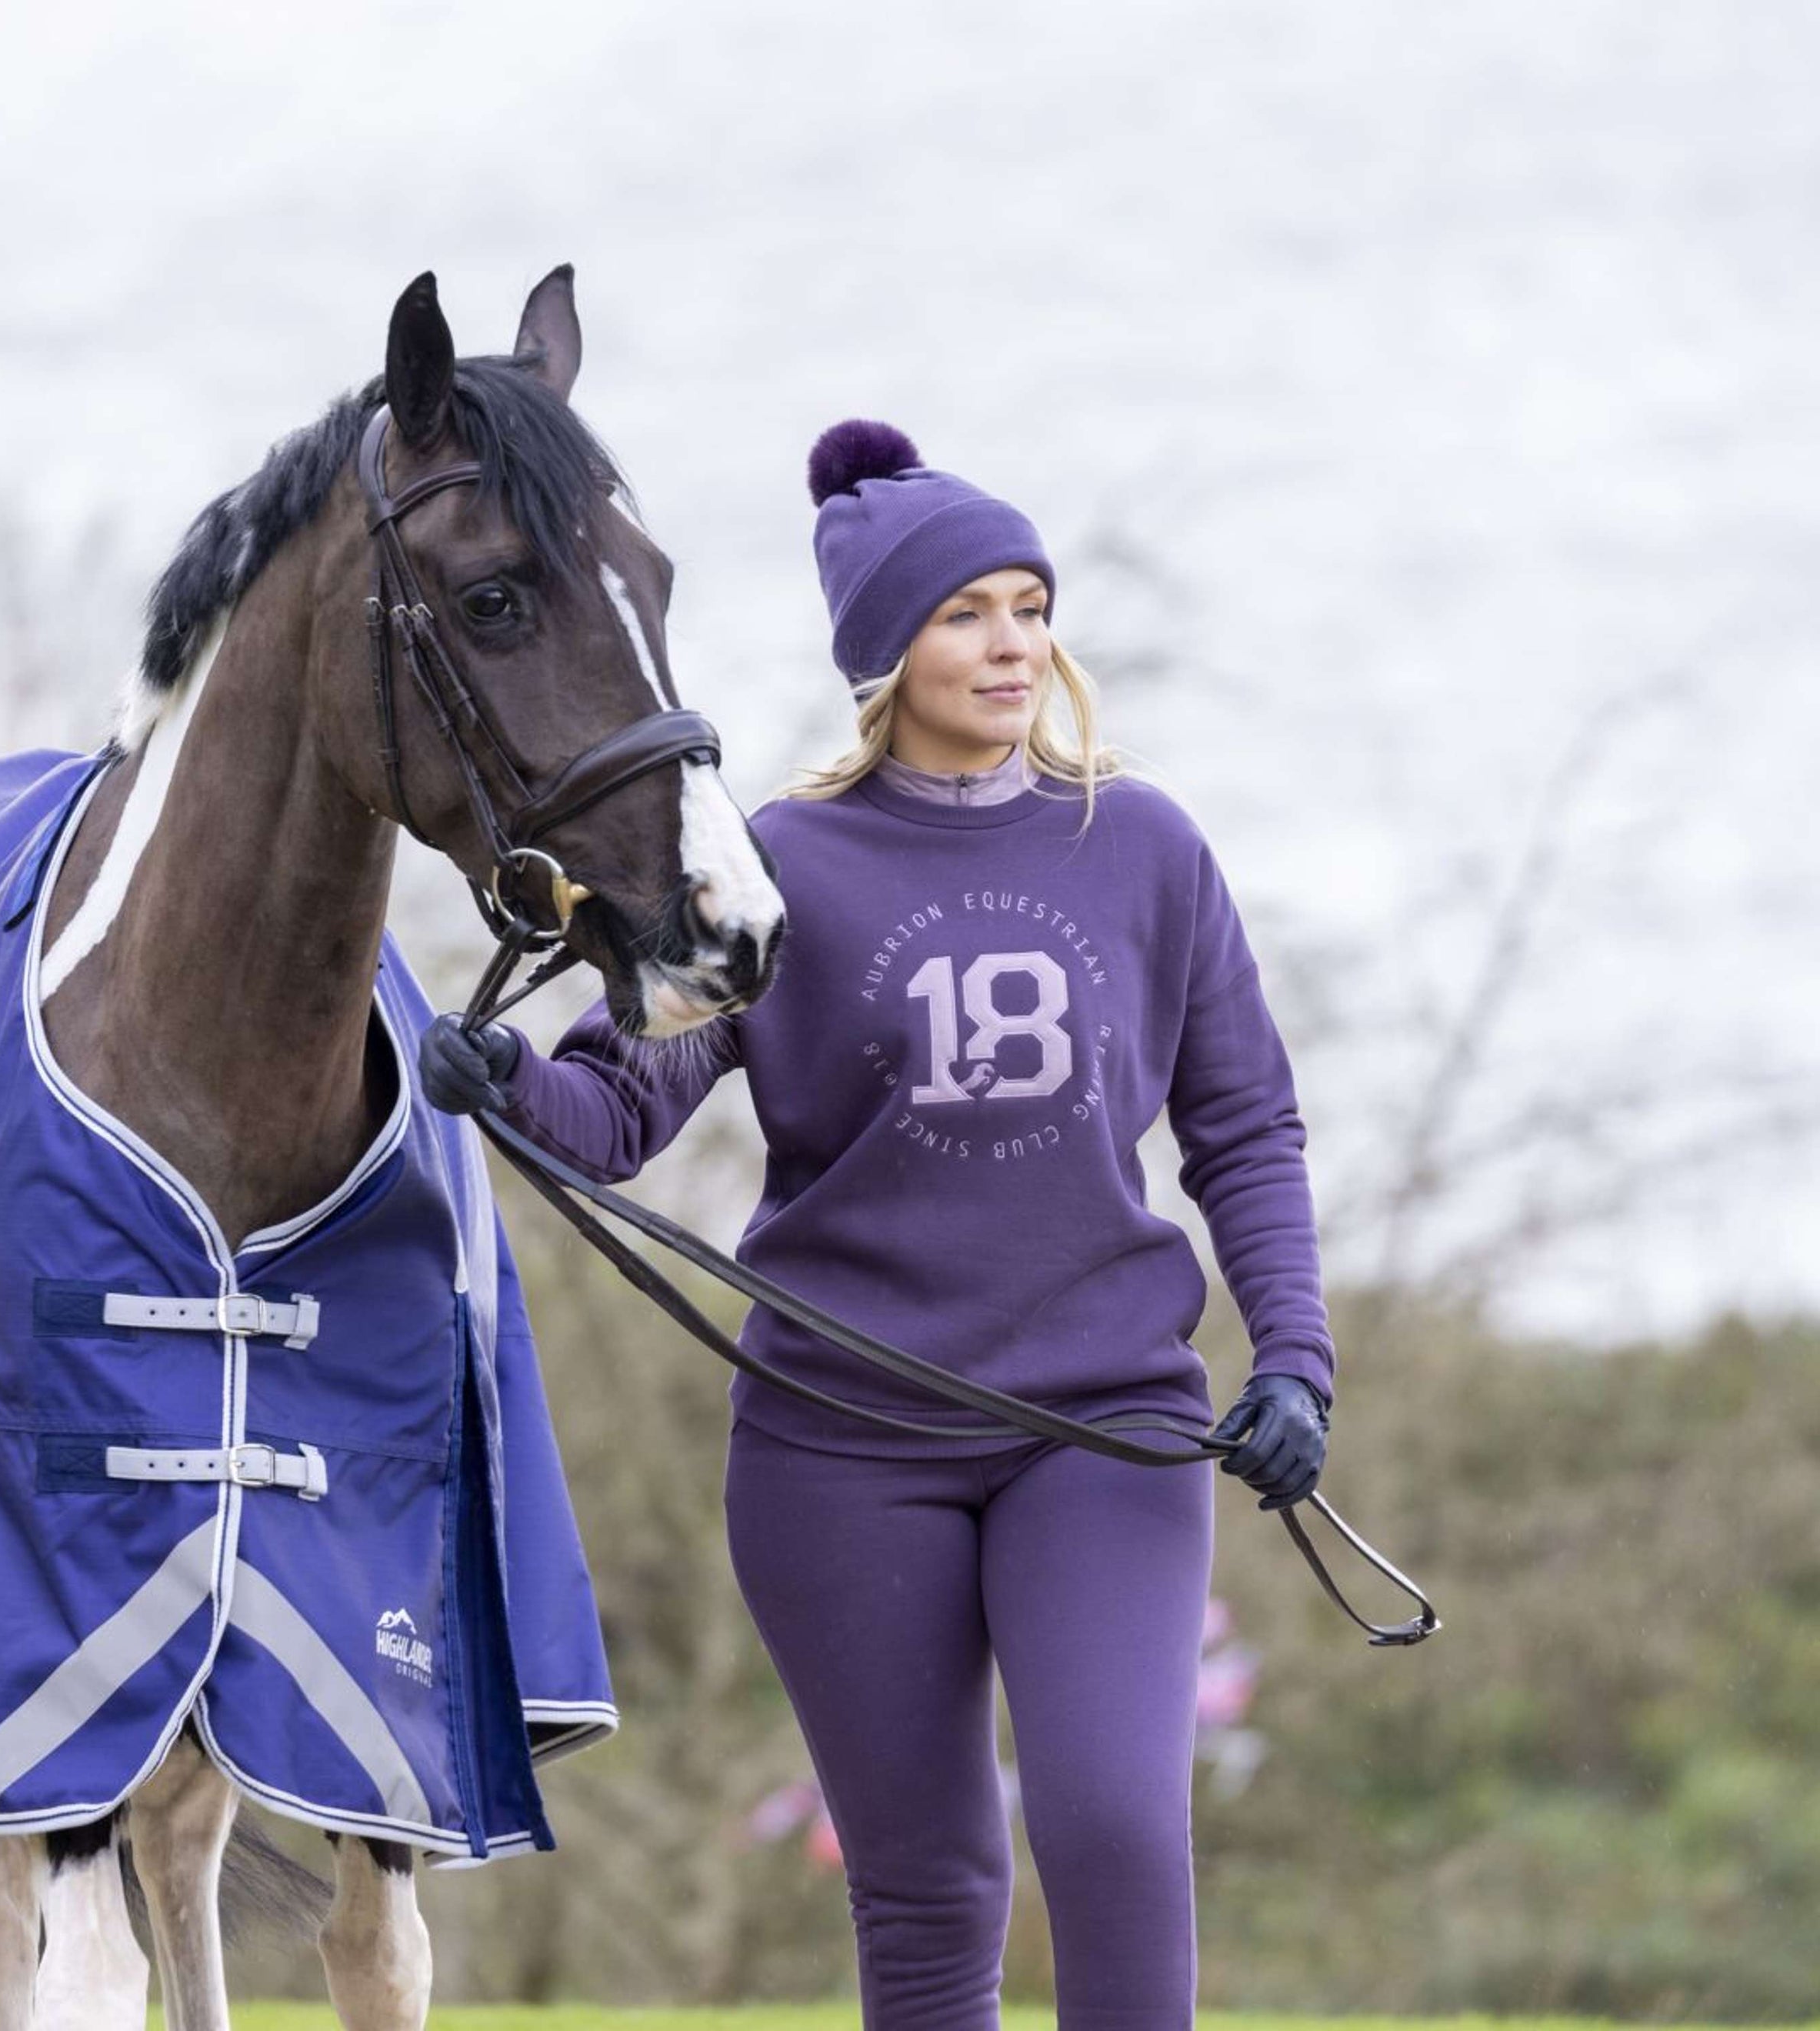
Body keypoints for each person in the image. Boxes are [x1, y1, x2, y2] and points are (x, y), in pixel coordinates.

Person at [421, 419, 1333, 2031]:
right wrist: (496, 1076)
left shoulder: (1145, 848)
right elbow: (618, 1113)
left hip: (1103, 1427)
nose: (1014, 644)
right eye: (970, 611)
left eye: (1031, 606)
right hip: (840, 1448)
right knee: (928, 1884)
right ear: (885, 650)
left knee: (1115, 1830)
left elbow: (1244, 1126)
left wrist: (1297, 1364)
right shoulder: (776, 864)